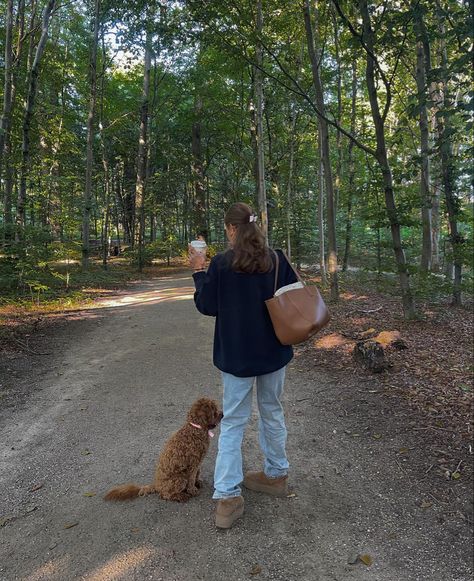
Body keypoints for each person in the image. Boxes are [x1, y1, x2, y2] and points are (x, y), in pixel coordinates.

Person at [189, 202, 298, 529]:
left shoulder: (222, 264)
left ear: (232, 229)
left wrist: (198, 269)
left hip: (236, 357)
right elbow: (293, 298)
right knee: (272, 410)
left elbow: (206, 305)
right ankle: (276, 475)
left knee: (234, 421)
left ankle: (227, 497)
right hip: (273, 353)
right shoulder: (276, 259)